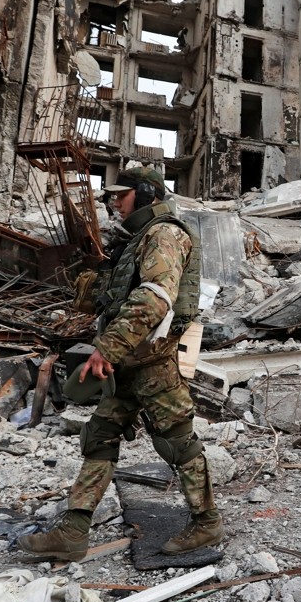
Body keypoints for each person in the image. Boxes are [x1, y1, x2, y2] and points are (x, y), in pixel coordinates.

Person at [17, 167, 223, 561]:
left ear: (145, 194)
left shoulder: (165, 233)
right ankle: (73, 532)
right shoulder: (135, 240)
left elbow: (155, 298)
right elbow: (118, 295)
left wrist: (107, 348)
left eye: (121, 194)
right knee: (99, 438)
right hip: (126, 364)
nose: (113, 201)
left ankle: (207, 523)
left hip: (151, 362)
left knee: (177, 442)